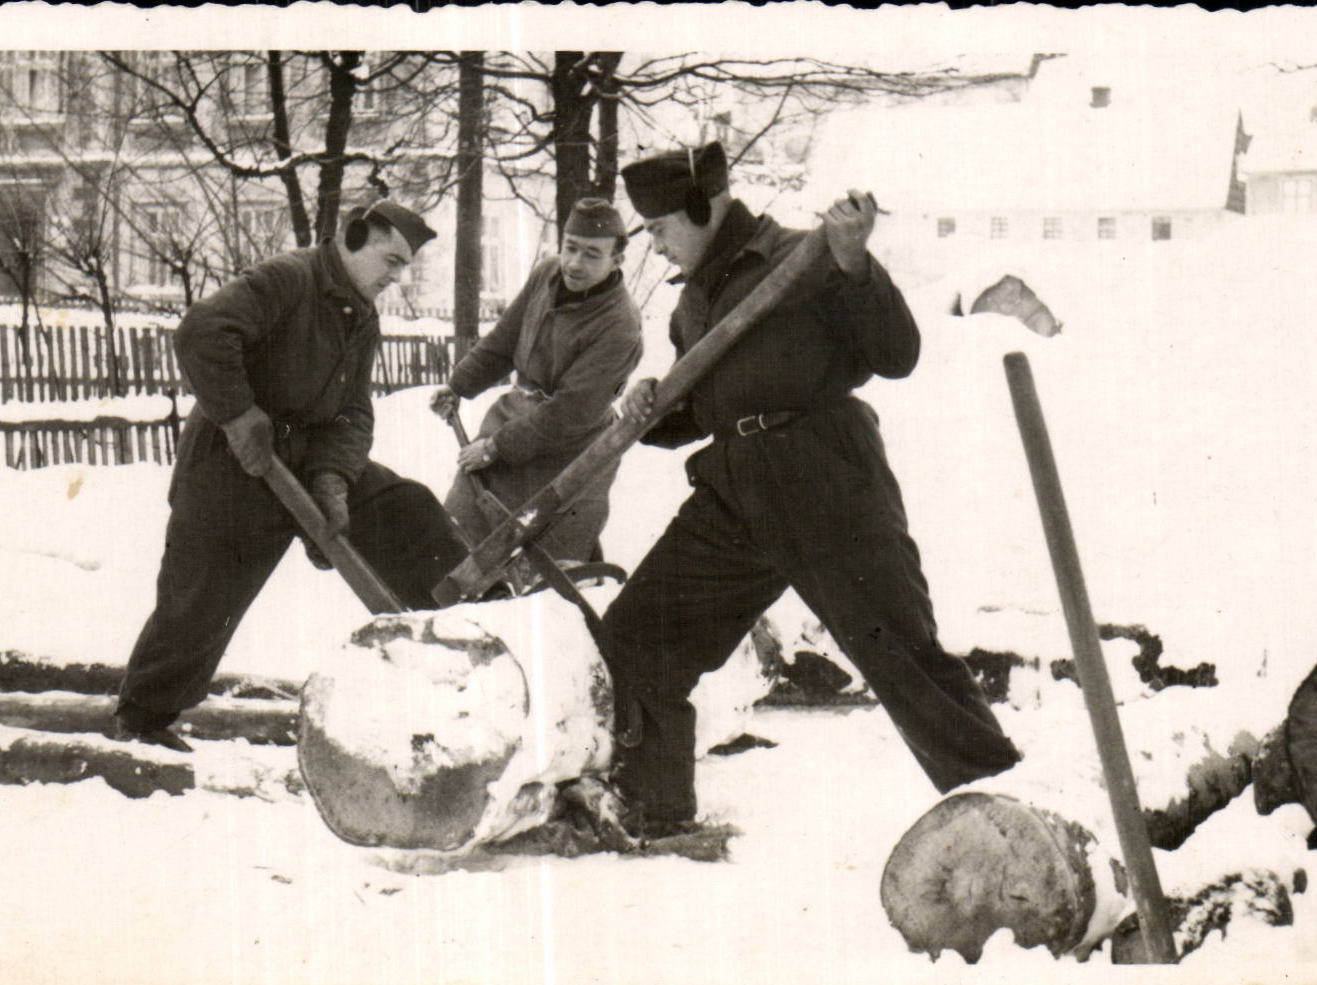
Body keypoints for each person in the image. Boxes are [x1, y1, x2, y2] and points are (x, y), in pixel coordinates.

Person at [596, 142, 1020, 836]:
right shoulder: (694, 301)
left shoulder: (805, 257)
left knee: (902, 656)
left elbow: (896, 355)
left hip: (824, 474)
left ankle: (1016, 831)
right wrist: (654, 404)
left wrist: (853, 264)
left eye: (659, 229)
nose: (656, 247)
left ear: (700, 209)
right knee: (639, 639)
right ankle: (654, 815)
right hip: (736, 486)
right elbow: (707, 405)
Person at [113, 200, 467, 751]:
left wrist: (333, 477)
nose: (396, 278)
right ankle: (143, 718)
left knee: (406, 507)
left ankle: (463, 640)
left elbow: (353, 411)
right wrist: (238, 413)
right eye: (390, 260)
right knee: (205, 592)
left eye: (404, 267)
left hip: (303, 456)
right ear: (353, 237)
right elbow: (202, 331)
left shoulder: (362, 316)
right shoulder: (289, 278)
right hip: (228, 460)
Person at [429, 198, 643, 566]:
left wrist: (495, 448)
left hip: (570, 451)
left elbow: (570, 412)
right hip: (511, 424)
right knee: (459, 532)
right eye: (570, 248)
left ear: (617, 260)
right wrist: (458, 386)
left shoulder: (621, 325)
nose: (575, 263)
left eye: (592, 254)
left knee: (542, 564)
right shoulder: (546, 275)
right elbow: (503, 340)